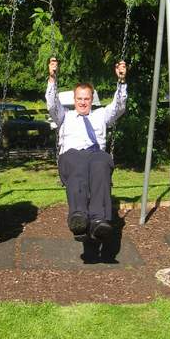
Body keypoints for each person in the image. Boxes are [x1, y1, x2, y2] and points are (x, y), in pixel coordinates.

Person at [45, 58, 127, 242]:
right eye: (79, 99)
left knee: (101, 162)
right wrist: (52, 78)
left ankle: (99, 220)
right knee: (77, 163)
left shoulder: (101, 115)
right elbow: (51, 104)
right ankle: (79, 217)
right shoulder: (64, 116)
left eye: (87, 99)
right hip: (71, 155)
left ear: (92, 100)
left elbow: (119, 107)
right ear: (74, 100)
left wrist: (121, 82)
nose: (83, 102)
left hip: (95, 154)